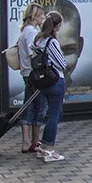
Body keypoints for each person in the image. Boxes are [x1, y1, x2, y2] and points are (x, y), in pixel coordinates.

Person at [34, 10, 69, 163]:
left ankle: (43, 146)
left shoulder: (38, 40)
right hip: (55, 80)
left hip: (43, 81)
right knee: (54, 115)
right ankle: (48, 148)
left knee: (53, 113)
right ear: (57, 26)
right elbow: (62, 63)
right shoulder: (51, 42)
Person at [16, 3, 47, 153]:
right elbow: (32, 53)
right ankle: (31, 141)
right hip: (34, 74)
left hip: (27, 73)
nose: (43, 18)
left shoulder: (25, 30)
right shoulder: (31, 32)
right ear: (34, 16)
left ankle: (30, 141)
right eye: (41, 15)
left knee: (29, 105)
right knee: (38, 107)